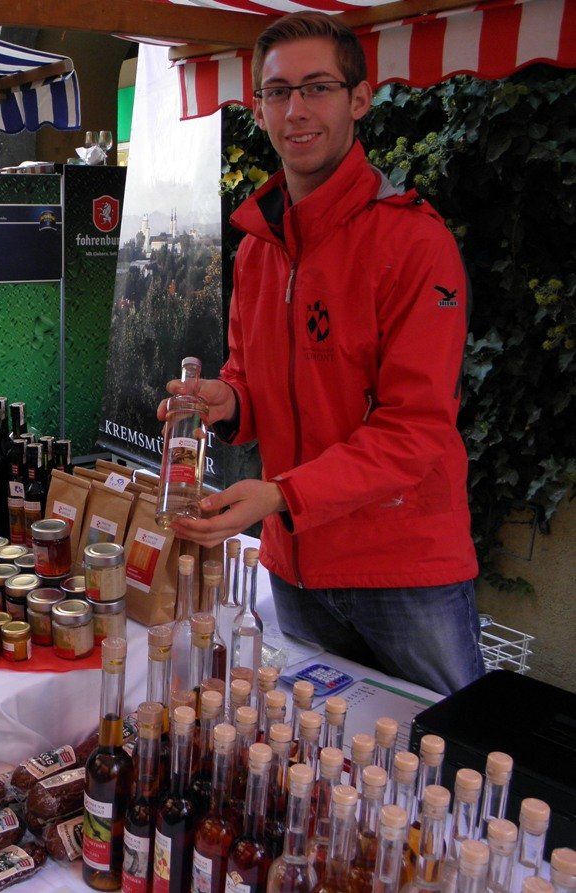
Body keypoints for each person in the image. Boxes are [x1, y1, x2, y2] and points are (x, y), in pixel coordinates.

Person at [161, 12, 482, 695]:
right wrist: (228, 401)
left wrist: (282, 494)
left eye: (317, 88)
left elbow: (416, 428)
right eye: (278, 92)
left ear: (359, 99)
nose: (296, 110)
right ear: (258, 108)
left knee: (452, 748)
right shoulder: (257, 249)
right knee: (315, 750)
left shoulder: (414, 243)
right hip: (295, 565)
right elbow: (254, 380)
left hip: (404, 570)